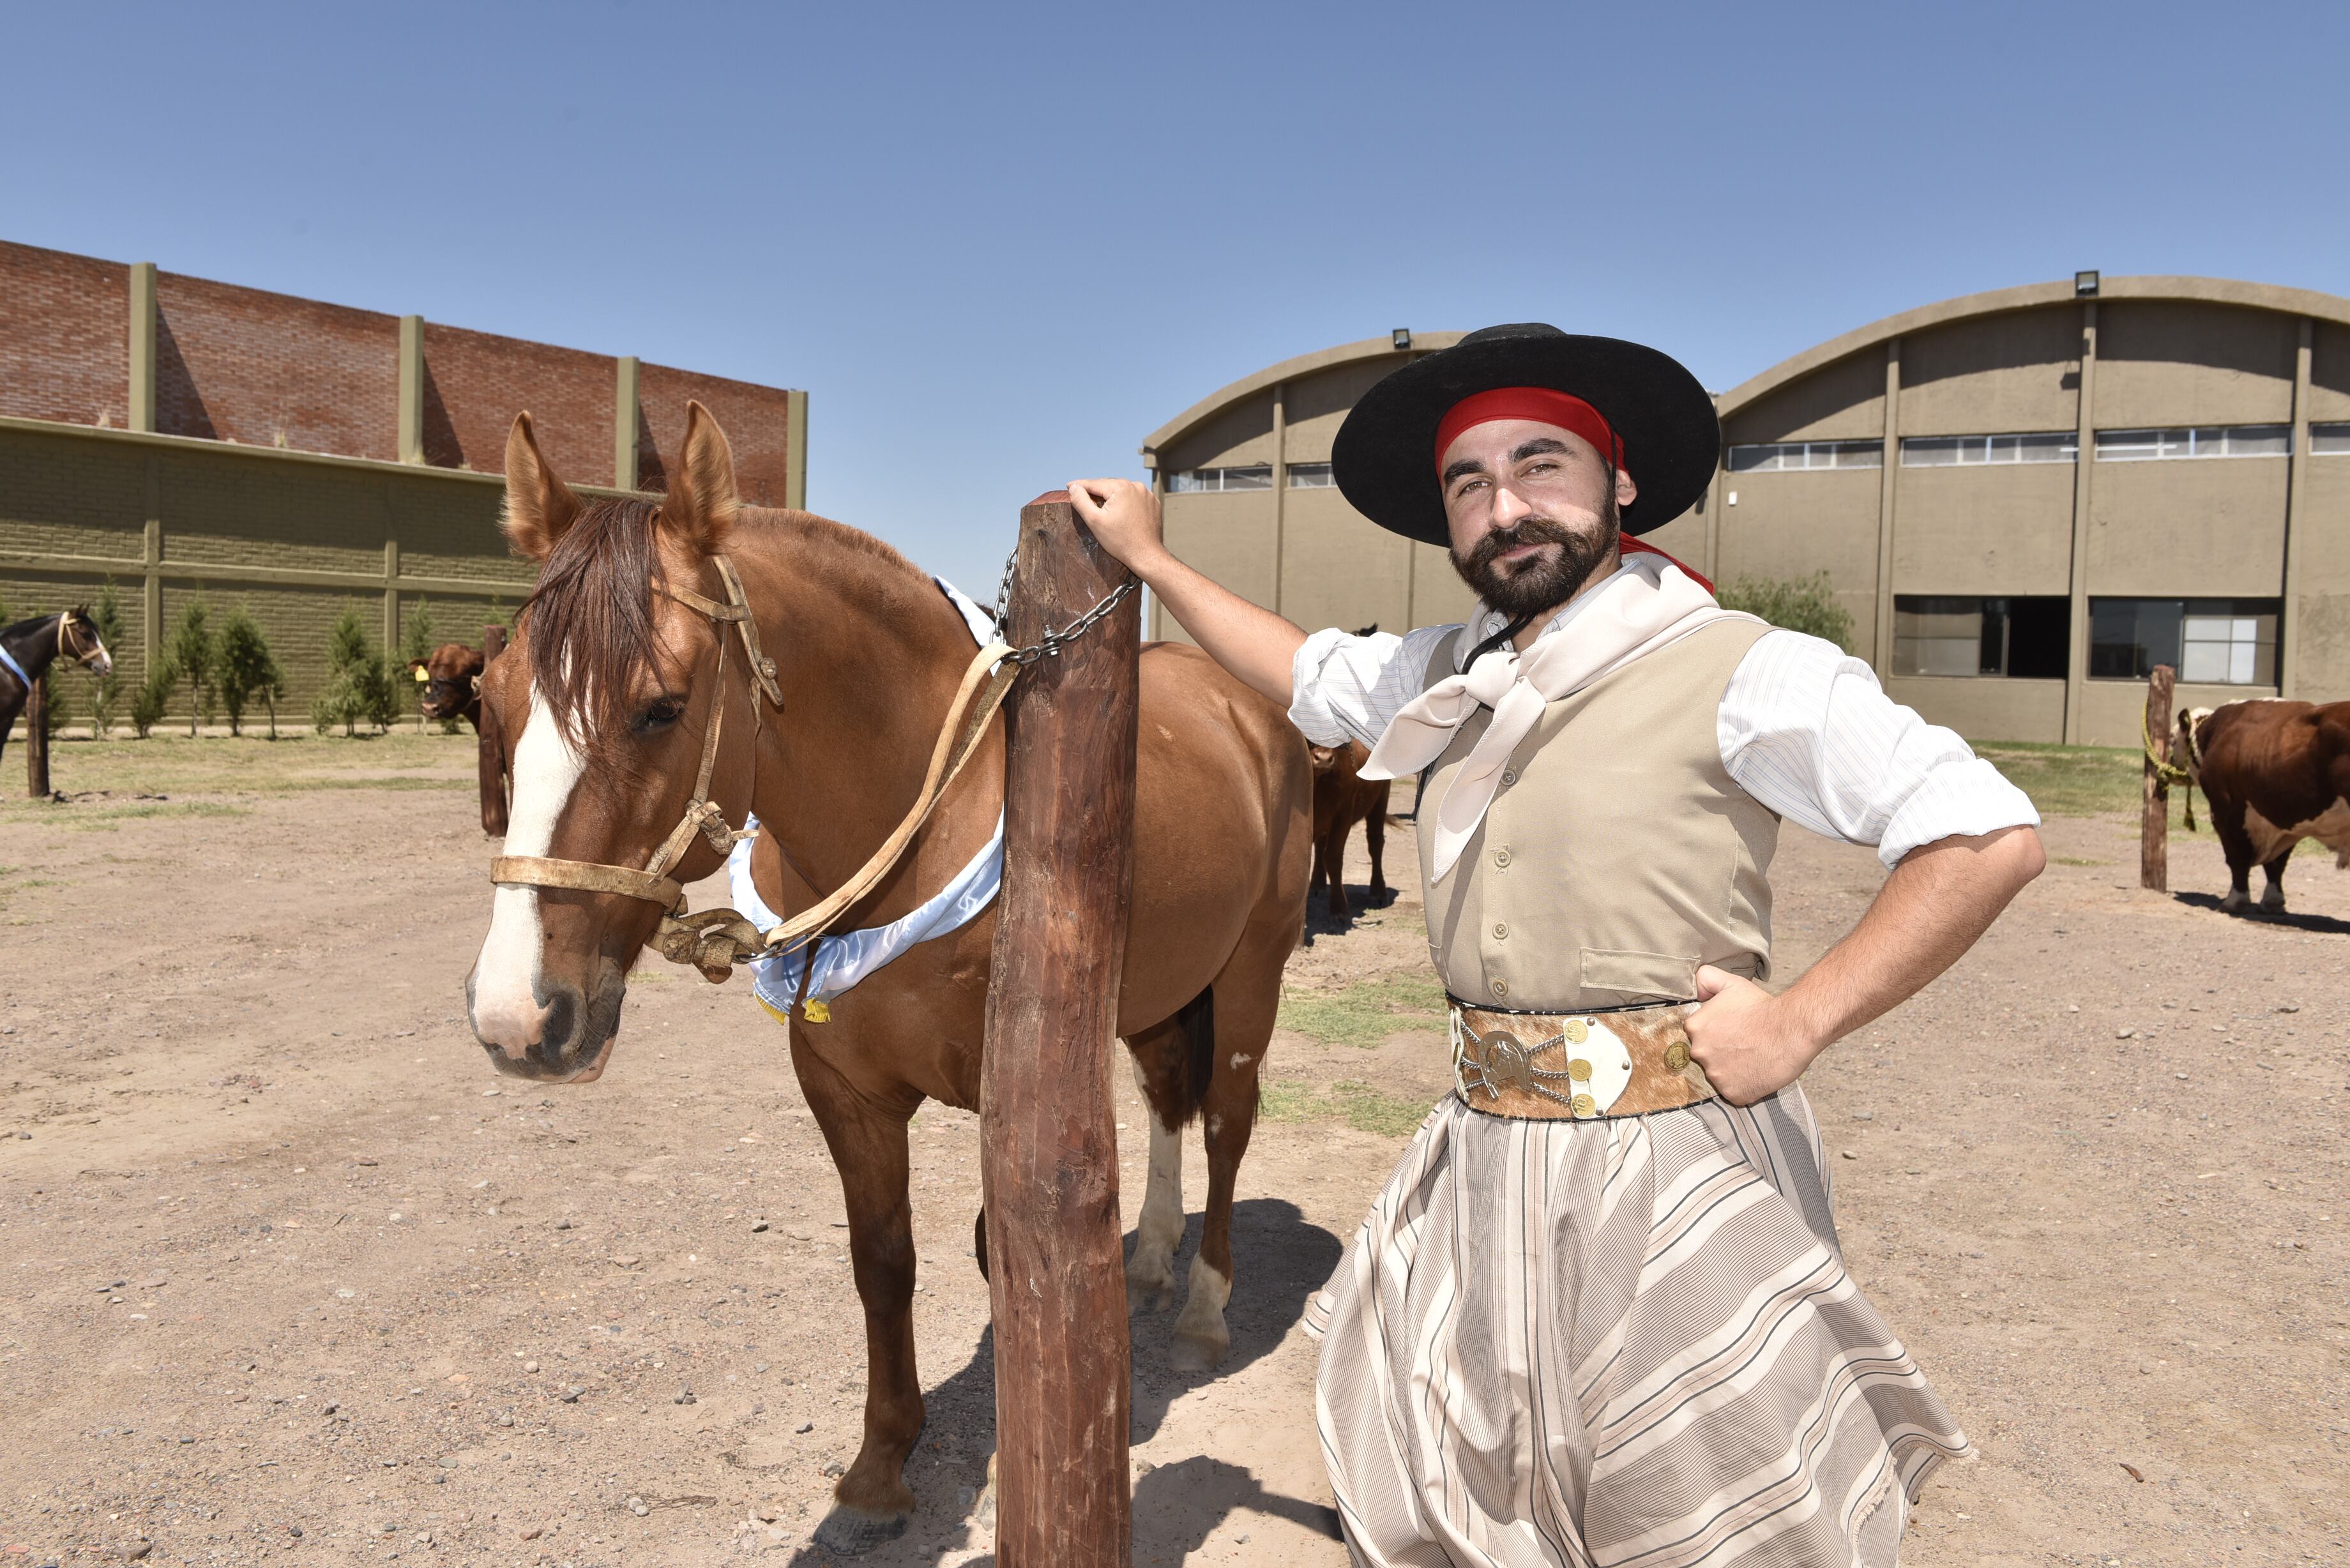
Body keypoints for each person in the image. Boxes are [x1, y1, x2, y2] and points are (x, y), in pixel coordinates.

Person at [1068, 322, 2045, 1567]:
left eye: (1541, 464)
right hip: (1482, 1154)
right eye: (1467, 482)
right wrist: (1150, 559)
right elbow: (1304, 670)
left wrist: (1799, 1019)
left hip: (1672, 1163)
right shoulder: (1450, 674)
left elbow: (1985, 833)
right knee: (1478, 1489)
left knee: (1687, 1505)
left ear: (1619, 483)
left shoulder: (1744, 666)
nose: (1504, 506)